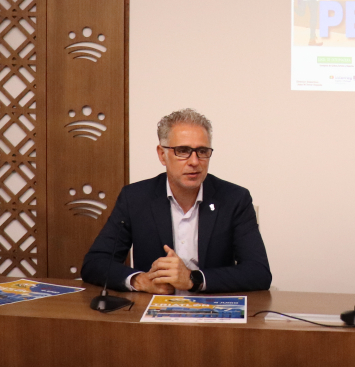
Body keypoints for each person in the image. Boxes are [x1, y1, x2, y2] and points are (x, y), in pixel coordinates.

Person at [81, 109, 272, 293]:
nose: (195, 161)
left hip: (213, 313)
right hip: (153, 313)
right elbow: (95, 263)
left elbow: (259, 272)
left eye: (202, 151)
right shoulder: (135, 198)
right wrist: (140, 280)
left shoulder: (234, 199)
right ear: (162, 154)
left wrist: (192, 279)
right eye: (183, 151)